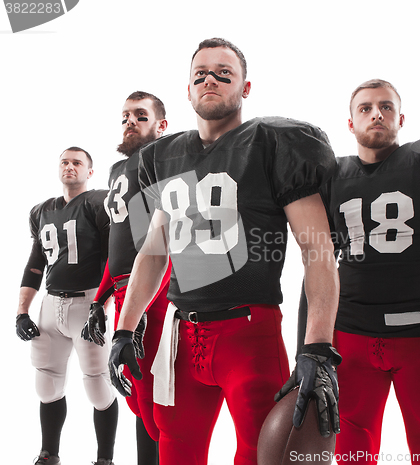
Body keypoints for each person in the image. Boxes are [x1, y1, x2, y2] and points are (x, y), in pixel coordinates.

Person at [108, 38, 341, 465]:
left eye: (223, 72)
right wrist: (126, 327)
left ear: (245, 88)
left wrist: (317, 347)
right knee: (176, 452)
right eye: (200, 74)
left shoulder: (273, 142)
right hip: (183, 335)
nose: (209, 79)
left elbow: (317, 250)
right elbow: (154, 252)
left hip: (249, 333)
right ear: (188, 89)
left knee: (259, 454)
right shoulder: (163, 154)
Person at [298, 79, 420, 464]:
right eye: (365, 108)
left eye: (386, 107)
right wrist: (308, 352)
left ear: (401, 119)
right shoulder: (332, 177)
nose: (376, 114)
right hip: (349, 341)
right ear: (350, 124)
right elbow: (317, 269)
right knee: (351, 455)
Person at [82, 91, 170, 465]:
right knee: (134, 392)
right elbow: (116, 245)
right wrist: (98, 300)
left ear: (161, 125)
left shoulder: (164, 159)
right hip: (122, 293)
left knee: (158, 397)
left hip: (153, 291)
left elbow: (167, 240)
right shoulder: (118, 170)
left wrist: (145, 305)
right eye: (125, 117)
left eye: (140, 115)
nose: (130, 121)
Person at [16, 147, 119, 465]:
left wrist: (102, 305)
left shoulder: (98, 203)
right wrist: (22, 311)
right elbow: (35, 265)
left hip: (90, 302)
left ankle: (104, 459)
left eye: (78, 162)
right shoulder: (41, 211)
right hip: (51, 304)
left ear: (90, 171)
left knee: (99, 388)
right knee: (46, 385)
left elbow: (113, 259)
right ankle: (50, 453)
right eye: (65, 161)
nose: (70, 166)